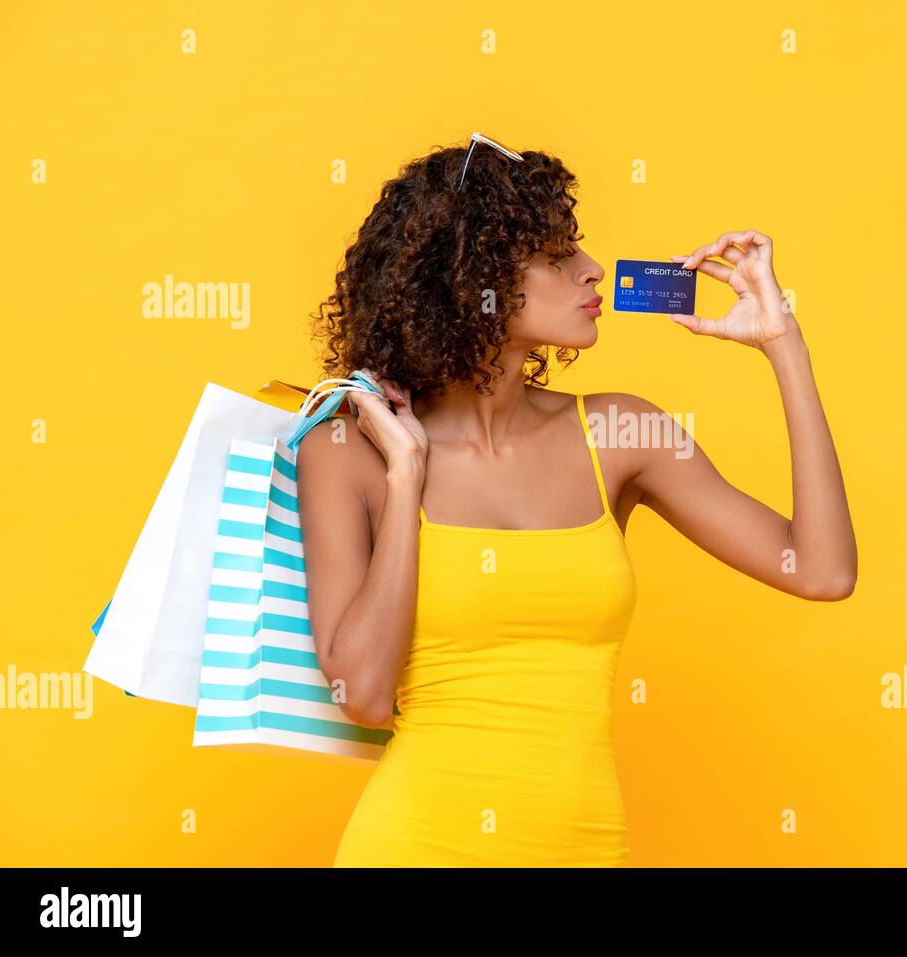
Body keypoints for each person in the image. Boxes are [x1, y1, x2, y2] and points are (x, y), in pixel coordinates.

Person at [296, 133, 857, 867]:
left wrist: (784, 344)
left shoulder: (619, 434)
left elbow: (821, 570)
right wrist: (405, 479)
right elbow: (363, 695)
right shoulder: (349, 450)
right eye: (558, 256)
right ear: (472, 279)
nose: (593, 270)